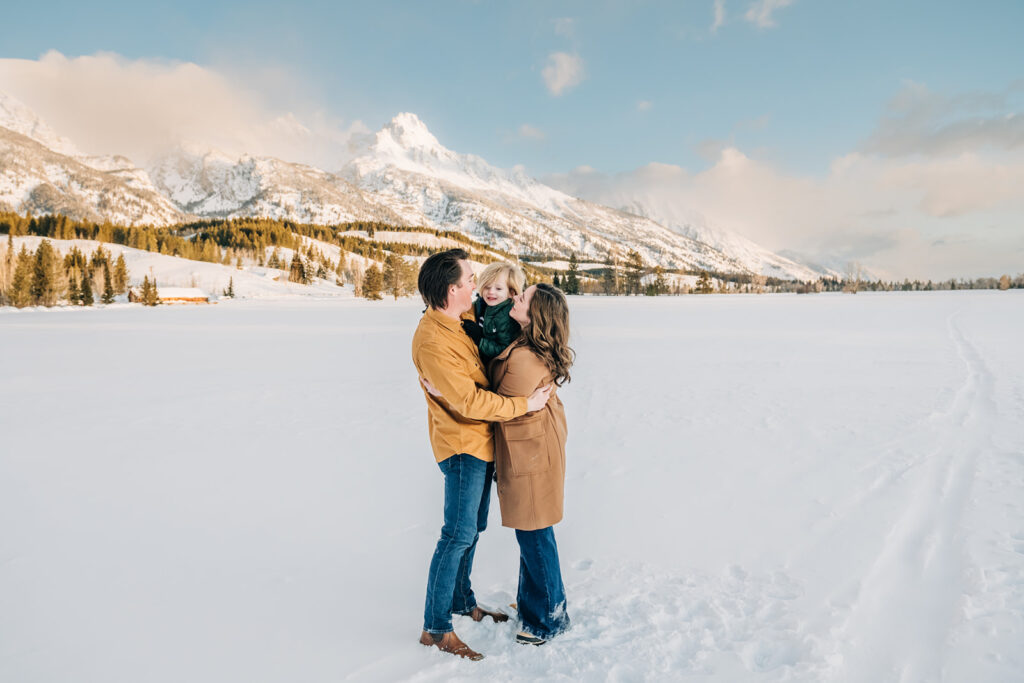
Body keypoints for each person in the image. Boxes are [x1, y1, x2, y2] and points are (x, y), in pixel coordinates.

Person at [411, 249, 553, 661]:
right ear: (453, 289)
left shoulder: (462, 319)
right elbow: (470, 402)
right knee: (456, 534)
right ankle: (436, 629)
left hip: (482, 441)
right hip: (462, 446)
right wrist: (524, 406)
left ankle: (461, 600)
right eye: (470, 279)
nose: (477, 285)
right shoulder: (434, 339)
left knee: (472, 529)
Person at [491, 283, 574, 645]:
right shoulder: (529, 346)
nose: (515, 298)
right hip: (535, 444)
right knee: (534, 530)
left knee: (535, 533)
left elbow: (494, 401)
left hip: (531, 450)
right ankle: (535, 606)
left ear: (535, 315)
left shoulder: (525, 359)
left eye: (522, 297)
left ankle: (546, 620)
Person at [462, 261, 526, 366]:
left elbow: (504, 349)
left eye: (498, 289)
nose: (491, 292)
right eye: (487, 287)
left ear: (511, 293)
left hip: (493, 366)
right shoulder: (482, 303)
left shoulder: (507, 317)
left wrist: (480, 340)